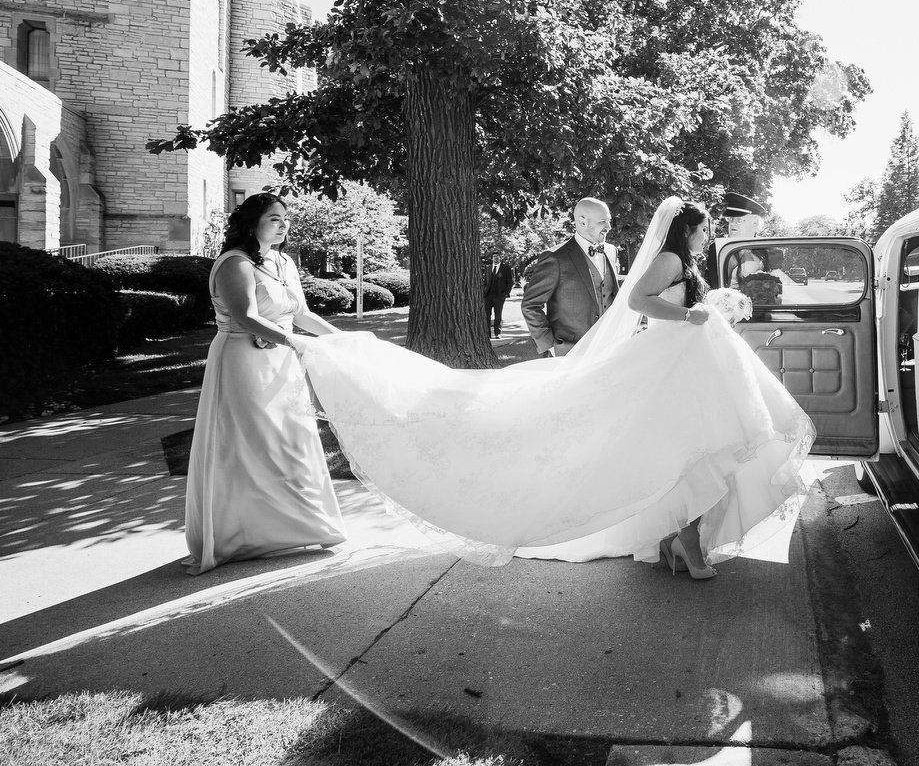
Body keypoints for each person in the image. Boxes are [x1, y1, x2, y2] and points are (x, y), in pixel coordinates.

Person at [294, 197, 816, 578]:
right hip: (645, 359)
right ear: (686, 231)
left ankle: (679, 539)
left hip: (679, 362)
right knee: (672, 447)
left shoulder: (668, 260)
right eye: (703, 230)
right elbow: (636, 302)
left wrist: (711, 306)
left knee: (688, 450)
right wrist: (689, 313)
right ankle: (682, 541)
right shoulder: (658, 259)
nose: (708, 235)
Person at [184, 193, 346, 576]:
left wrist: (341, 341)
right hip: (242, 363)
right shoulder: (234, 263)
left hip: (282, 363)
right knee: (248, 445)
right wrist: (297, 343)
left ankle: (301, 526)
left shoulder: (285, 262)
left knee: (291, 440)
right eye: (274, 219)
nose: (283, 225)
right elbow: (245, 317)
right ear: (251, 223)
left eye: (285, 219)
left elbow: (302, 314)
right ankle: (234, 536)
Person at [521, 197, 618, 357]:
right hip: (568, 353)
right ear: (582, 222)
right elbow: (530, 305)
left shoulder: (611, 251)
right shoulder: (555, 258)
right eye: (602, 222)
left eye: (609, 221)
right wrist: (551, 346)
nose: (608, 227)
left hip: (607, 349)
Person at [482, 251, 515, 339]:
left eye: (497, 256)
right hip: (488, 296)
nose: (495, 258)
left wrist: (505, 294)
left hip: (499, 296)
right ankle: (487, 334)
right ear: (492, 258)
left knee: (498, 315)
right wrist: (484, 291)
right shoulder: (487, 268)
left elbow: (510, 282)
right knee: (486, 315)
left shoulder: (506, 268)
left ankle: (497, 333)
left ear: (500, 257)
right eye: (494, 256)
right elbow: (484, 281)